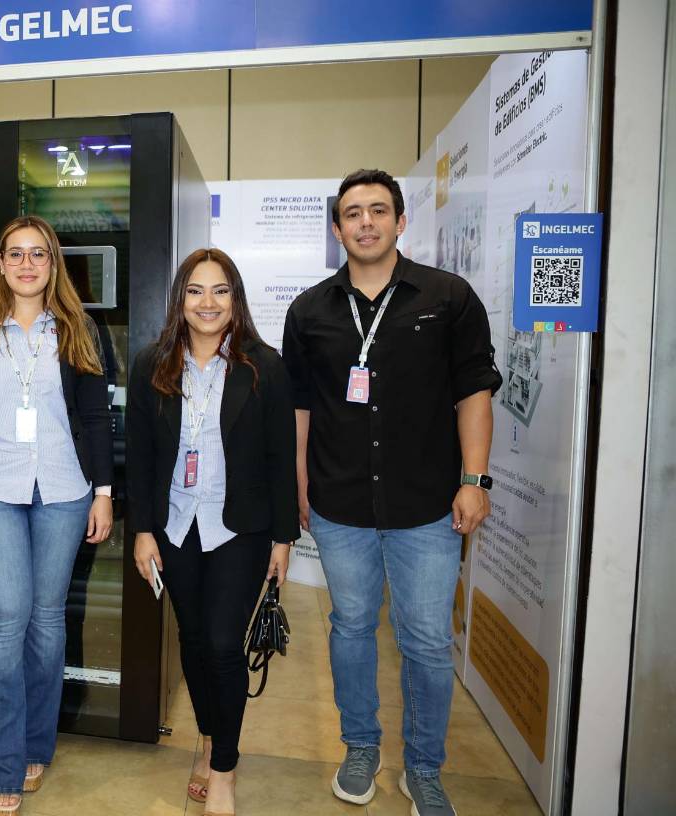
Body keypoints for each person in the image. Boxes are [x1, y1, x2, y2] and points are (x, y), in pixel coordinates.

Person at [282, 169, 502, 816]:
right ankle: (360, 747)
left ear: (401, 221)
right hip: (340, 504)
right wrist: (299, 484)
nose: (366, 222)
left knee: (427, 641)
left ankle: (424, 767)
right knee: (350, 627)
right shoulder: (310, 311)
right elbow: (299, 407)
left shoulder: (448, 297)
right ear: (337, 228)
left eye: (379, 210)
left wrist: (474, 480)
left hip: (427, 505)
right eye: (353, 213)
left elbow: (474, 392)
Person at [0, 215, 113, 816]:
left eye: (38, 254)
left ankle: (37, 743)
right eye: (15, 253)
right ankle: (2, 763)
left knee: (45, 622)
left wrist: (103, 492)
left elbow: (97, 417)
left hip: (64, 489)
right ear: (0, 263)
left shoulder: (79, 328)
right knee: (5, 619)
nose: (27, 264)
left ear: (52, 262)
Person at [126, 247, 297, 816]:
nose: (208, 302)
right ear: (180, 299)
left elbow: (281, 456)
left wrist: (282, 539)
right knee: (194, 642)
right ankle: (207, 735)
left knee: (224, 645)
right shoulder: (152, 364)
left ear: (235, 298)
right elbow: (141, 457)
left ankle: (223, 765)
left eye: (220, 290)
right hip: (175, 526)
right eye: (196, 291)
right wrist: (143, 531)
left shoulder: (264, 366)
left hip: (239, 529)